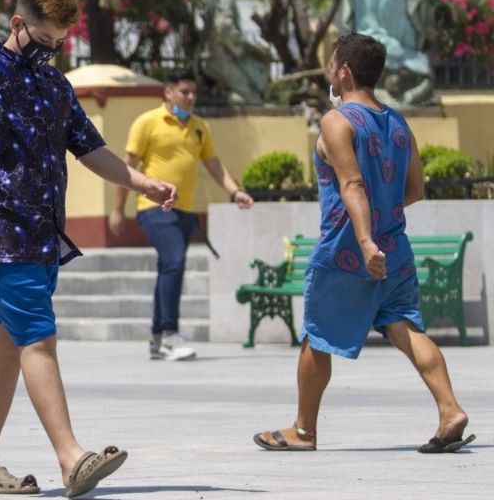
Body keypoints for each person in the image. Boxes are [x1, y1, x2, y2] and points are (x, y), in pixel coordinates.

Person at [0, 0, 178, 499]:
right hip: (1, 238)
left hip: (44, 239)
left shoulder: (54, 85)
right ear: (18, 23)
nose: (51, 50)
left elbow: (91, 149)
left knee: (6, 349)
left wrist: (142, 183)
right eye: (44, 40)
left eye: (59, 43)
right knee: (39, 340)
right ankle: (71, 457)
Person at [253, 33, 473, 454]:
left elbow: (351, 181)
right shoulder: (398, 122)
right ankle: (450, 410)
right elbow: (415, 189)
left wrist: (365, 238)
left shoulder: (338, 121)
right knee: (407, 327)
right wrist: (382, 221)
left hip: (346, 251)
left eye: (332, 64)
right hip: (396, 247)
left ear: (344, 71)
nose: (329, 71)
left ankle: (303, 430)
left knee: (316, 339)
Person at [110, 68, 253, 361]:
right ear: (168, 92)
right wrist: (117, 209)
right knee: (175, 261)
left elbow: (214, 164)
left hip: (185, 212)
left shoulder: (199, 126)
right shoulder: (147, 122)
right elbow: (127, 166)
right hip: (153, 208)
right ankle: (170, 335)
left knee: (168, 268)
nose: (190, 97)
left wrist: (234, 191)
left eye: (193, 92)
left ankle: (156, 338)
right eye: (184, 91)